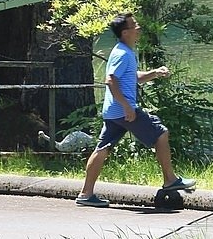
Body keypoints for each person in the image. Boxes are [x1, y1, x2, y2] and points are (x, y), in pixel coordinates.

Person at [76, 12, 195, 207]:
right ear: (125, 32)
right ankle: (170, 180)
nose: (138, 28)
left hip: (113, 112)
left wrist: (154, 73)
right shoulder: (123, 53)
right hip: (123, 111)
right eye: (134, 26)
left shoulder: (124, 51)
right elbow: (110, 80)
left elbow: (132, 77)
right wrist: (126, 106)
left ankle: (85, 194)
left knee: (103, 148)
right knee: (161, 133)